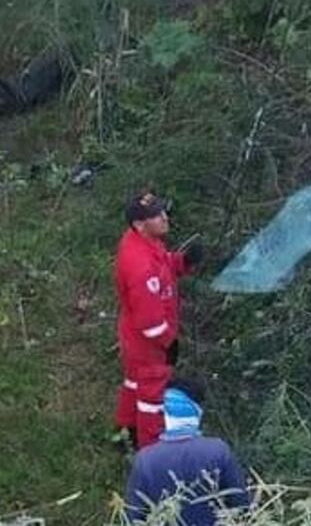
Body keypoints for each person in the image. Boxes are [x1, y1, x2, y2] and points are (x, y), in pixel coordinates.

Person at [114, 190, 203, 450]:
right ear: (140, 224)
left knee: (134, 382)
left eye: (163, 211)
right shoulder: (139, 266)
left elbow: (164, 266)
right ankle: (152, 452)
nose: (164, 218)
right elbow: (149, 321)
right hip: (148, 343)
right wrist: (168, 344)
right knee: (151, 398)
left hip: (135, 336)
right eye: (156, 216)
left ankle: (124, 431)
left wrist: (183, 261)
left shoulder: (144, 242)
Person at [125, 379, 251, 525]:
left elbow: (135, 516)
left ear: (166, 412)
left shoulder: (146, 459)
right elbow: (241, 505)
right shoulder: (218, 450)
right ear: (197, 411)